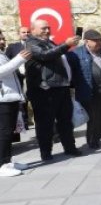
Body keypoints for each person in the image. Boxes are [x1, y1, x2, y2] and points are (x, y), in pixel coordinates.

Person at [25, 20, 82, 161]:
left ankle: (70, 148)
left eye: (48, 28)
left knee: (65, 121)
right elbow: (45, 56)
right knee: (45, 123)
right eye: (43, 28)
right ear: (33, 30)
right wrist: (66, 44)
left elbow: (55, 55)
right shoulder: (32, 43)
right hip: (45, 90)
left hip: (61, 87)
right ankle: (46, 153)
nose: (47, 30)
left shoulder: (49, 42)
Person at [68, 30, 101, 149]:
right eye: (95, 41)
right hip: (89, 91)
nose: (98, 43)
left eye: (100, 40)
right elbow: (71, 73)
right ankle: (93, 140)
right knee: (93, 117)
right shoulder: (76, 54)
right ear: (86, 41)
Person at [0, 46, 31, 176]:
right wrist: (19, 59)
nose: (2, 41)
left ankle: (7, 161)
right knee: (4, 133)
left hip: (9, 97)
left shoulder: (1, 53)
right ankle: (1, 165)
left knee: (9, 132)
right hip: (2, 99)